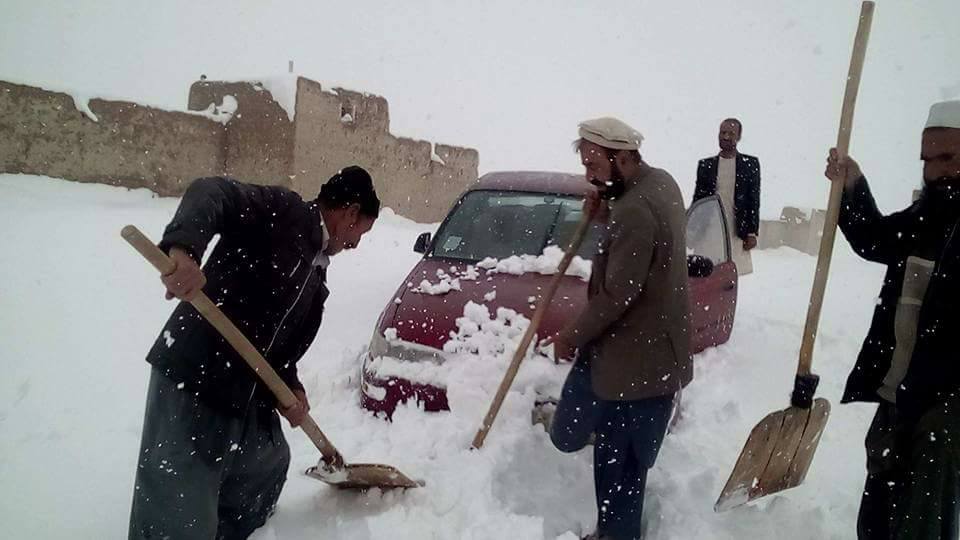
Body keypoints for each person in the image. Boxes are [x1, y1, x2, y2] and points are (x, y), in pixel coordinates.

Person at [129, 167, 380, 539]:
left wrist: (291, 386)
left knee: (267, 463)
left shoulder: (316, 275)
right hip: (198, 371)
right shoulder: (284, 212)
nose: (356, 243)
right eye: (361, 232)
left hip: (244, 387)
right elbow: (211, 191)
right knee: (179, 499)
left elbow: (280, 349)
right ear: (351, 213)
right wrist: (184, 250)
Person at [544, 117, 692, 539]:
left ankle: (616, 534)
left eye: (594, 163)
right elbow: (645, 237)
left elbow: (616, 295)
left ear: (623, 158)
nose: (588, 174)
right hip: (655, 358)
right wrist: (605, 212)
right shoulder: (661, 183)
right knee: (625, 462)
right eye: (584, 162)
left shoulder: (633, 211)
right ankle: (617, 528)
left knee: (616, 460)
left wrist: (570, 335)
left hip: (633, 361)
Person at [826, 100, 960, 540]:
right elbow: (876, 238)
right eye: (928, 160)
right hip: (898, 396)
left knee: (921, 526)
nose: (936, 170)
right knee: (877, 521)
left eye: (948, 158)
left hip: (943, 409)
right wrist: (853, 184)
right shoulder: (927, 216)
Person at [693, 118, 761, 275]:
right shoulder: (706, 165)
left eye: (731, 133)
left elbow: (753, 199)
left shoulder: (749, 165)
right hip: (709, 229)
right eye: (722, 132)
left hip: (735, 229)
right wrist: (693, 229)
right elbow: (698, 199)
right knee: (706, 273)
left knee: (730, 276)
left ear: (738, 137)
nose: (725, 136)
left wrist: (752, 232)